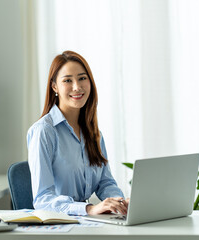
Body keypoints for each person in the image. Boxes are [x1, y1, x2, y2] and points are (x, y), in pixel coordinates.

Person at [27, 50, 128, 216]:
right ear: (54, 87)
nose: (77, 87)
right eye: (67, 80)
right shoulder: (44, 131)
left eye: (82, 78)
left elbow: (105, 182)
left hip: (86, 222)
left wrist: (119, 203)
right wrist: (89, 209)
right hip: (59, 224)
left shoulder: (94, 133)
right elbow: (42, 200)